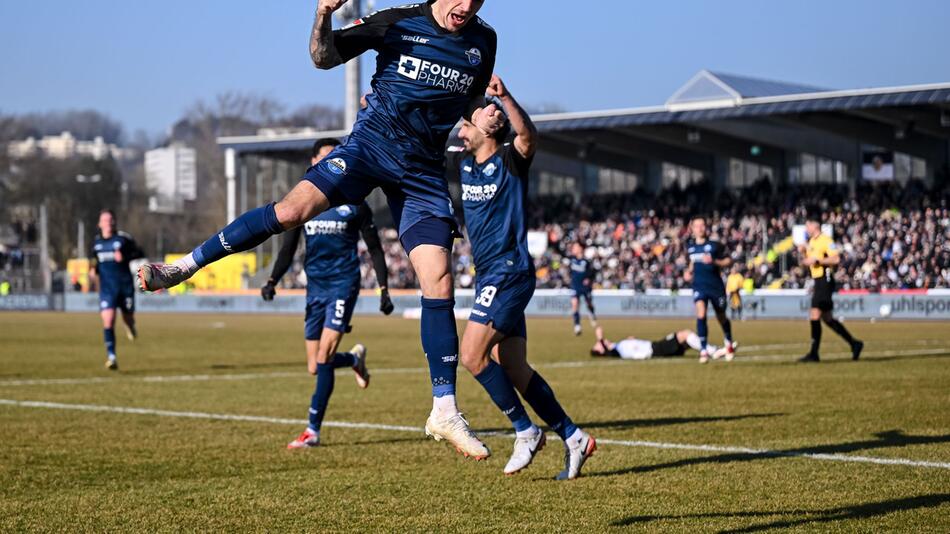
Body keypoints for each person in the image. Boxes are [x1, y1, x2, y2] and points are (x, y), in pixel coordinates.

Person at [137, 0, 503, 458]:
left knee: (439, 277)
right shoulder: (397, 22)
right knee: (291, 212)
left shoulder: (483, 41)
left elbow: (467, 100)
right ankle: (185, 266)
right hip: (370, 147)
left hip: (423, 170)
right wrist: (323, 15)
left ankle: (444, 410)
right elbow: (324, 57)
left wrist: (482, 113)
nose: (467, 6)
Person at [455, 76, 595, 479]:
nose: (460, 132)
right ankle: (573, 438)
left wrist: (503, 98)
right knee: (513, 366)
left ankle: (525, 430)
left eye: (466, 125)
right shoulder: (463, 164)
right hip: (489, 278)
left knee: (471, 356)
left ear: (487, 125)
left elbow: (528, 135)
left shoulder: (509, 161)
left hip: (509, 272)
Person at [261, 139, 395, 449]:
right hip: (316, 288)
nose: (333, 161)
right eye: (326, 156)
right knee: (315, 365)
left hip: (343, 285)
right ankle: (353, 360)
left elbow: (374, 248)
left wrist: (383, 288)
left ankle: (312, 431)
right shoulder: (304, 203)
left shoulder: (355, 204)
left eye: (337, 155)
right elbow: (288, 248)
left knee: (323, 357)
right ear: (314, 161)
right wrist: (272, 279)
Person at [798, 211, 864, 363]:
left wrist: (817, 260)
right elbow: (807, 263)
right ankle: (854, 343)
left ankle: (814, 353)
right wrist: (803, 255)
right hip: (817, 280)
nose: (806, 228)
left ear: (815, 225)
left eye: (808, 224)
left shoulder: (825, 240)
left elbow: (836, 258)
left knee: (815, 314)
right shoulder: (812, 243)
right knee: (827, 318)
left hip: (825, 279)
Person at [88, 210, 144, 370]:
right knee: (108, 321)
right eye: (105, 220)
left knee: (127, 318)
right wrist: (93, 270)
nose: (108, 223)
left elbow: (139, 252)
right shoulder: (96, 244)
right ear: (100, 224)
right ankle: (112, 357)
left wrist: (125, 256)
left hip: (125, 286)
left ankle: (130, 325)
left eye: (111, 220)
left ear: (115, 222)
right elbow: (94, 261)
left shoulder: (123, 239)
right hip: (107, 289)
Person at [683, 216, 736, 363]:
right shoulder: (690, 248)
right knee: (701, 313)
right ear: (692, 229)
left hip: (715, 286)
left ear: (706, 228)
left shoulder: (715, 246)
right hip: (699, 286)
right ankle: (704, 349)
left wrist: (715, 261)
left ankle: (728, 341)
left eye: (702, 225)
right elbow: (691, 265)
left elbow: (729, 261)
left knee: (721, 316)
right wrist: (687, 273)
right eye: (697, 226)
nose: (700, 228)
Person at [590, 326, 722, 360]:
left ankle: (711, 349)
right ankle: (711, 350)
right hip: (654, 349)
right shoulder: (613, 352)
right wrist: (600, 337)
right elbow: (609, 353)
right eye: (598, 345)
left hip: (655, 347)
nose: (598, 343)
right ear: (601, 351)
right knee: (685, 334)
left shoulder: (617, 346)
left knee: (687, 342)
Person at [568, 242, 597, 336]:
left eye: (575, 247)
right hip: (575, 286)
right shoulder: (571, 260)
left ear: (580, 248)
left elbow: (592, 273)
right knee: (575, 304)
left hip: (585, 287)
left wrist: (589, 279)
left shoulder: (586, 262)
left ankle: (592, 314)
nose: (574, 249)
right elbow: (570, 272)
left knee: (589, 303)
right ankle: (577, 325)